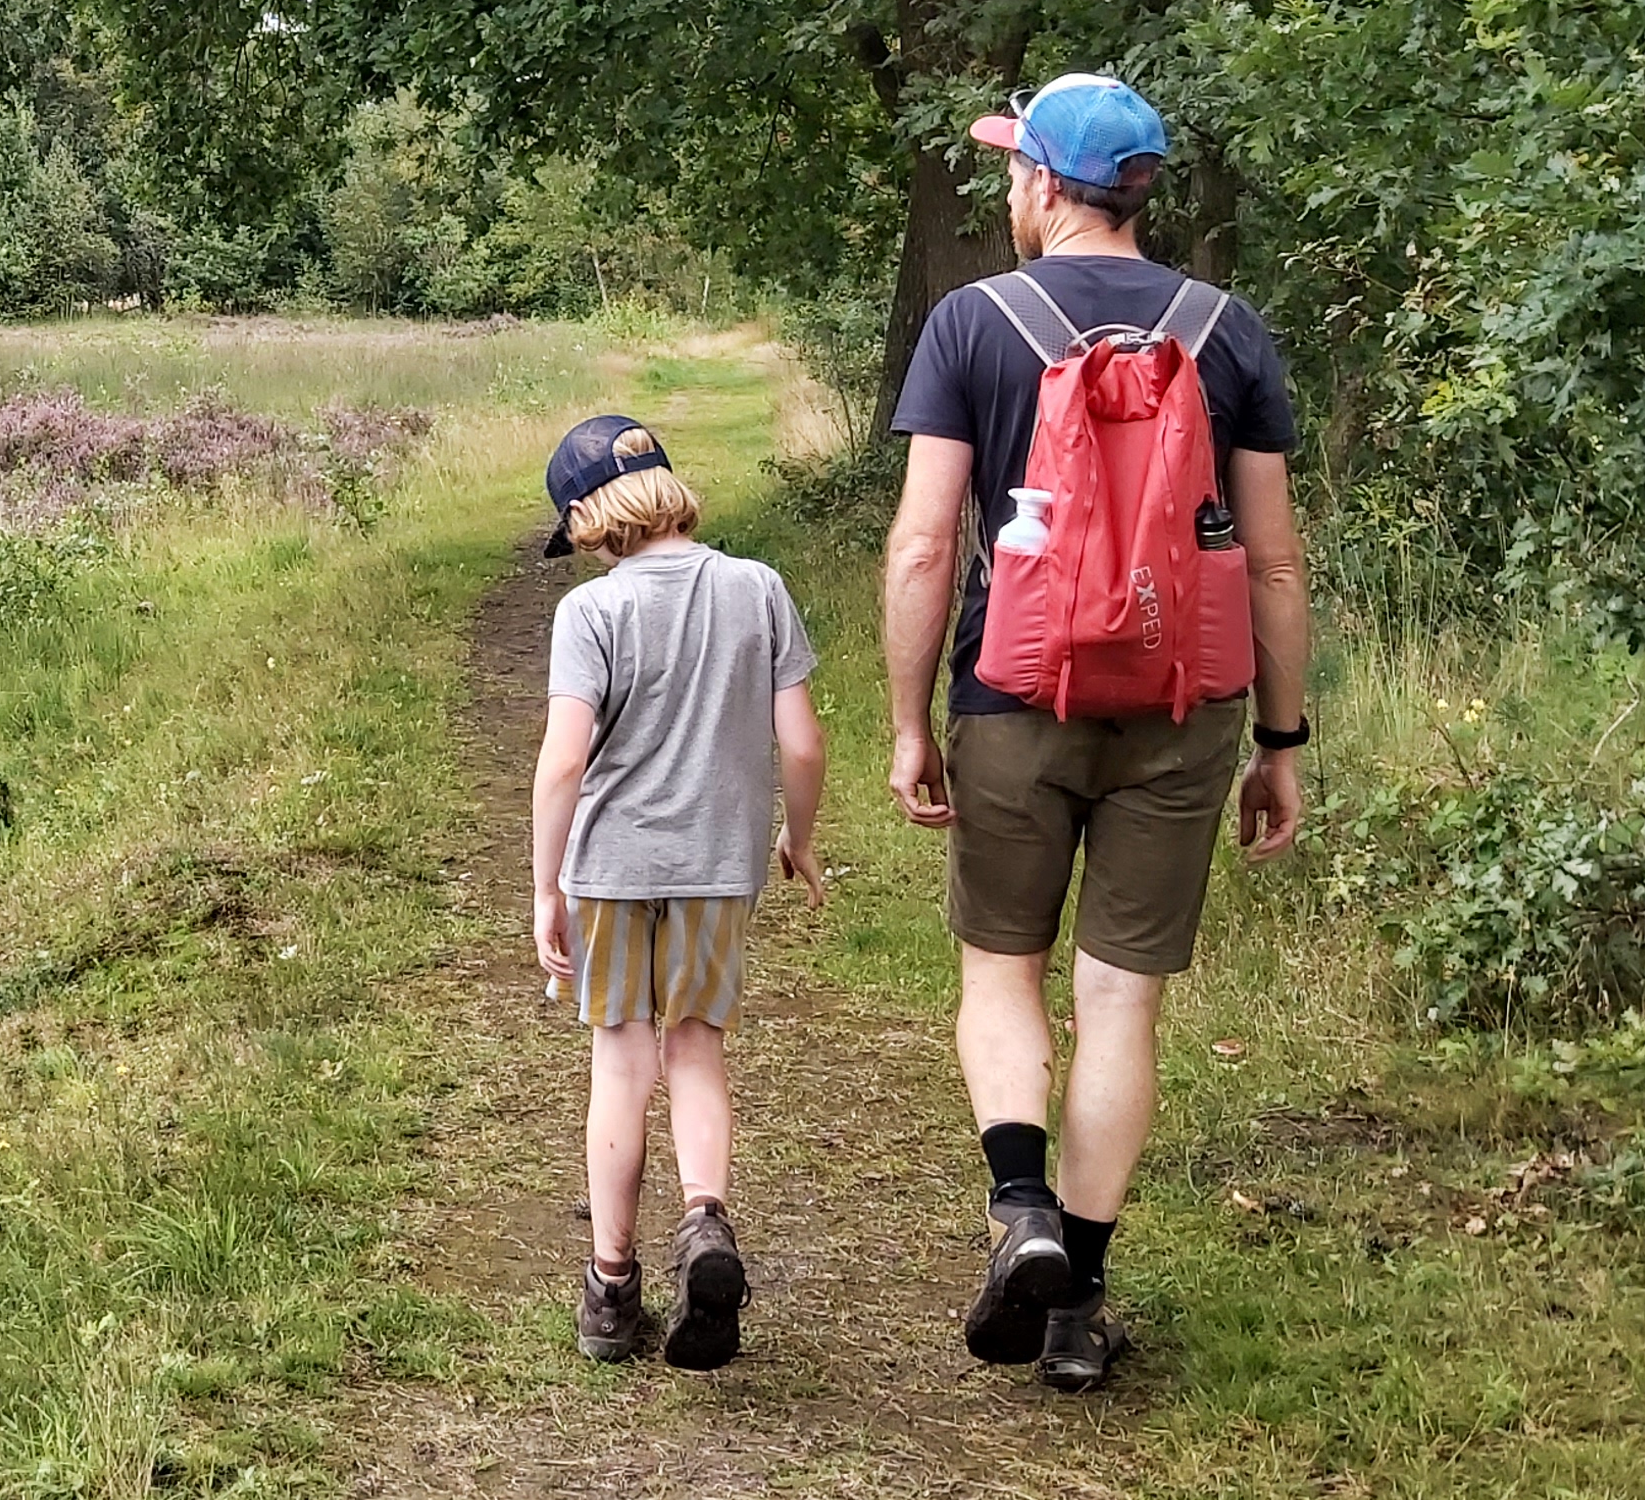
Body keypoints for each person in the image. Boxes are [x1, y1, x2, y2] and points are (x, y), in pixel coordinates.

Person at [882, 74, 1312, 1391]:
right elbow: (1276, 564)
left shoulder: (973, 323)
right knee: (1123, 999)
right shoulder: (1225, 330)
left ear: (1046, 187)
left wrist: (911, 722)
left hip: (1012, 695)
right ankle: (1082, 1301)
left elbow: (923, 543)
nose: (1009, 185)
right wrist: (1281, 740)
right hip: (1184, 709)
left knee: (1002, 971)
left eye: (1016, 167)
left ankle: (1020, 1216)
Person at [530, 416, 827, 1368]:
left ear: (586, 515)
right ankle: (705, 1223)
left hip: (612, 871)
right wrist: (800, 837)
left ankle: (612, 1288)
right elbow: (805, 743)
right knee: (696, 1051)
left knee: (621, 1064)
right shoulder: (758, 588)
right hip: (717, 866)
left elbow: (562, 765)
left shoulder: (593, 613)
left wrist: (547, 888)